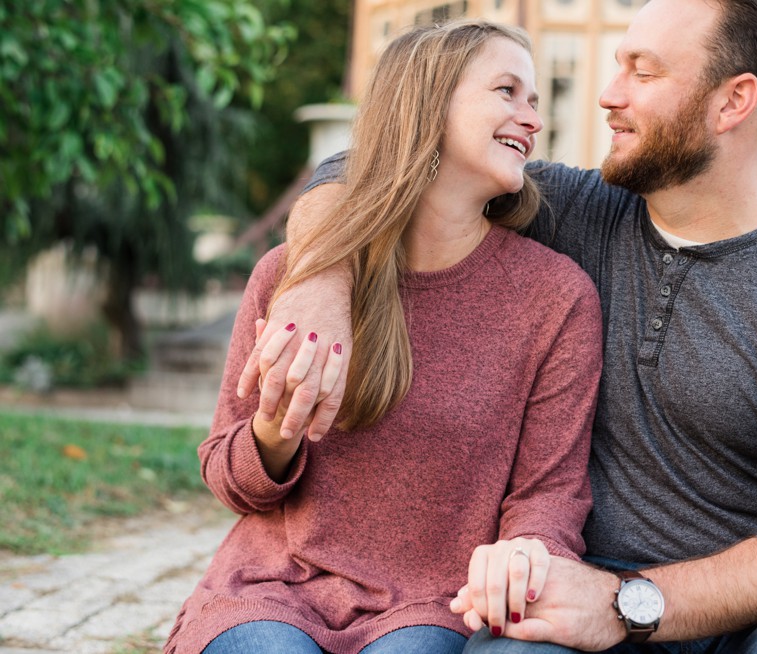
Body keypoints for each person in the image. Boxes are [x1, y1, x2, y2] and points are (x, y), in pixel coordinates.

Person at [244, 0, 757, 651]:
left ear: (732, 102)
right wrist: (319, 277)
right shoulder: (572, 209)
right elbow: (377, 167)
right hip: (566, 596)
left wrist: (626, 606)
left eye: (643, 73)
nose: (607, 95)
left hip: (752, 619)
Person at [165, 20, 604, 654]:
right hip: (273, 587)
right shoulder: (295, 277)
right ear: (428, 104)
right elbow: (230, 481)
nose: (531, 118)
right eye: (507, 91)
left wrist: (525, 553)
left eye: (534, 100)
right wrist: (274, 435)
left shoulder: (556, 298)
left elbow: (550, 494)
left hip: (434, 603)